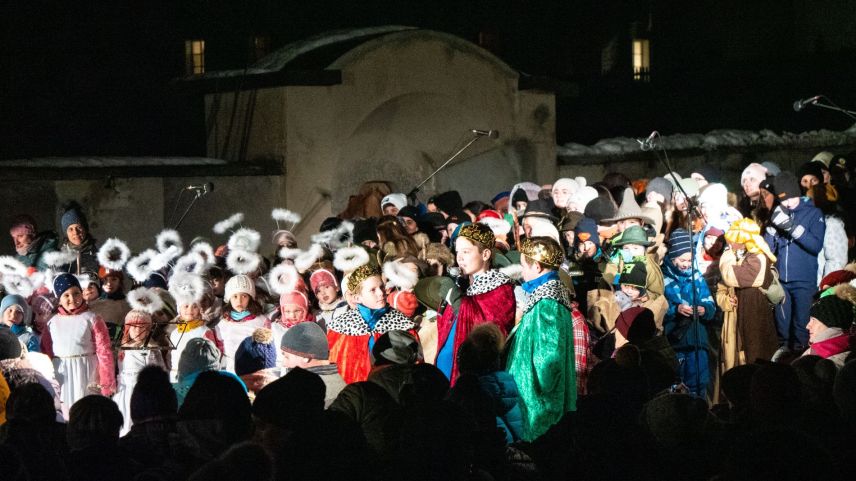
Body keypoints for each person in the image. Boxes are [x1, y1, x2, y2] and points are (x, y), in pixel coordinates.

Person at [506, 236, 576, 441]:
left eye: (523, 265)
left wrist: (539, 401)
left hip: (537, 407)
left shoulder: (547, 305)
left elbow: (548, 361)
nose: (522, 271)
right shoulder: (546, 298)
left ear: (537, 267)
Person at [435, 223, 515, 383]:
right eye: (457, 252)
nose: (459, 258)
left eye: (466, 252)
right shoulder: (461, 286)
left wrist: (457, 300)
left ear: (485, 254)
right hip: (444, 373)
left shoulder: (500, 290)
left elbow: (490, 334)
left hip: (472, 381)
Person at [764, 171, 826, 353]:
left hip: (804, 281)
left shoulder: (813, 213)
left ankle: (801, 368)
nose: (787, 203)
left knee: (801, 330)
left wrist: (791, 227)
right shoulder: (779, 212)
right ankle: (782, 367)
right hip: (782, 282)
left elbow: (815, 245)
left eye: (790, 198)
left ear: (796, 193)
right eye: (782, 200)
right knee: (782, 330)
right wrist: (771, 232)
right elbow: (769, 250)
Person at [327, 263, 416, 383]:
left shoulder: (402, 325)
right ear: (357, 298)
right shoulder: (340, 329)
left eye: (382, 287)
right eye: (373, 290)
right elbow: (335, 370)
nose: (381, 293)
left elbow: (415, 367)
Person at [41, 273, 115, 410]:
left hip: (87, 370)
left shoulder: (92, 318)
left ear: (82, 293)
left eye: (76, 293)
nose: (72, 298)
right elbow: (46, 351)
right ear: (59, 299)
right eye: (66, 295)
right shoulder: (52, 322)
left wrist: (106, 382)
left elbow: (104, 351)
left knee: (86, 408)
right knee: (64, 409)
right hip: (61, 372)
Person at [718, 218, 778, 371]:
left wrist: (727, 255)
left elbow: (730, 276)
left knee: (754, 354)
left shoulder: (757, 258)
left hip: (753, 313)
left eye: (733, 240)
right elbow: (722, 287)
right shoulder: (747, 256)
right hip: (742, 314)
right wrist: (725, 300)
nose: (731, 243)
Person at [662, 228, 716, 398]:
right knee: (675, 382)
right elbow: (660, 306)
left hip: (696, 338)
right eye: (682, 260)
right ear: (672, 257)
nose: (686, 264)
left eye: (689, 260)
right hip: (674, 339)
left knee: (699, 381)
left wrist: (704, 309)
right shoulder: (664, 277)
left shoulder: (696, 277)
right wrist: (675, 309)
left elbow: (709, 302)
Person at [113, 308, 167, 435]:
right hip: (126, 392)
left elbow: (161, 369)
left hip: (146, 391)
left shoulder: (153, 349)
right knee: (126, 421)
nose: (137, 330)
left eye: (141, 327)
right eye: (133, 327)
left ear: (148, 330)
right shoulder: (123, 349)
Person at [280, 321, 346, 407]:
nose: (283, 363)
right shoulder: (338, 382)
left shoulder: (305, 394)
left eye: (286, 357)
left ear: (306, 357)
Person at [216, 274, 270, 372]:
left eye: (244, 296)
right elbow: (219, 351)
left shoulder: (262, 321)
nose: (239, 300)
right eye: (235, 296)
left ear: (250, 297)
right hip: (232, 373)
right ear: (229, 299)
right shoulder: (223, 324)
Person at [802, 291, 855, 368]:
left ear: (831, 323)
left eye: (813, 320)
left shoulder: (831, 365)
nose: (807, 326)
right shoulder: (818, 349)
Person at [59, 202, 99, 275]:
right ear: (66, 233)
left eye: (79, 227)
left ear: (85, 229)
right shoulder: (60, 257)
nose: (76, 232)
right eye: (70, 229)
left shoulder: (98, 254)